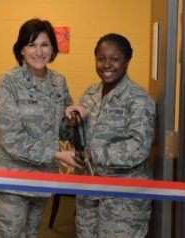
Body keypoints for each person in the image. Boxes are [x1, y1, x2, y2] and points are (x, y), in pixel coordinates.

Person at [0, 18, 79, 238]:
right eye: (31, 45)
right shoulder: (7, 83)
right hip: (9, 185)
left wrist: (75, 119)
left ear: (53, 49)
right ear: (21, 50)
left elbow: (64, 128)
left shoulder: (58, 82)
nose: (39, 51)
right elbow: (11, 139)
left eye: (44, 45)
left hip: (41, 182)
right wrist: (56, 154)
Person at [66, 33, 155, 238]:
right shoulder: (90, 94)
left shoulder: (139, 99)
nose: (106, 65)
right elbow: (79, 137)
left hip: (123, 200)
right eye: (101, 59)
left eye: (115, 59)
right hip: (89, 193)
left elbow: (139, 148)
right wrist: (72, 125)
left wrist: (93, 154)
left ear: (127, 61)